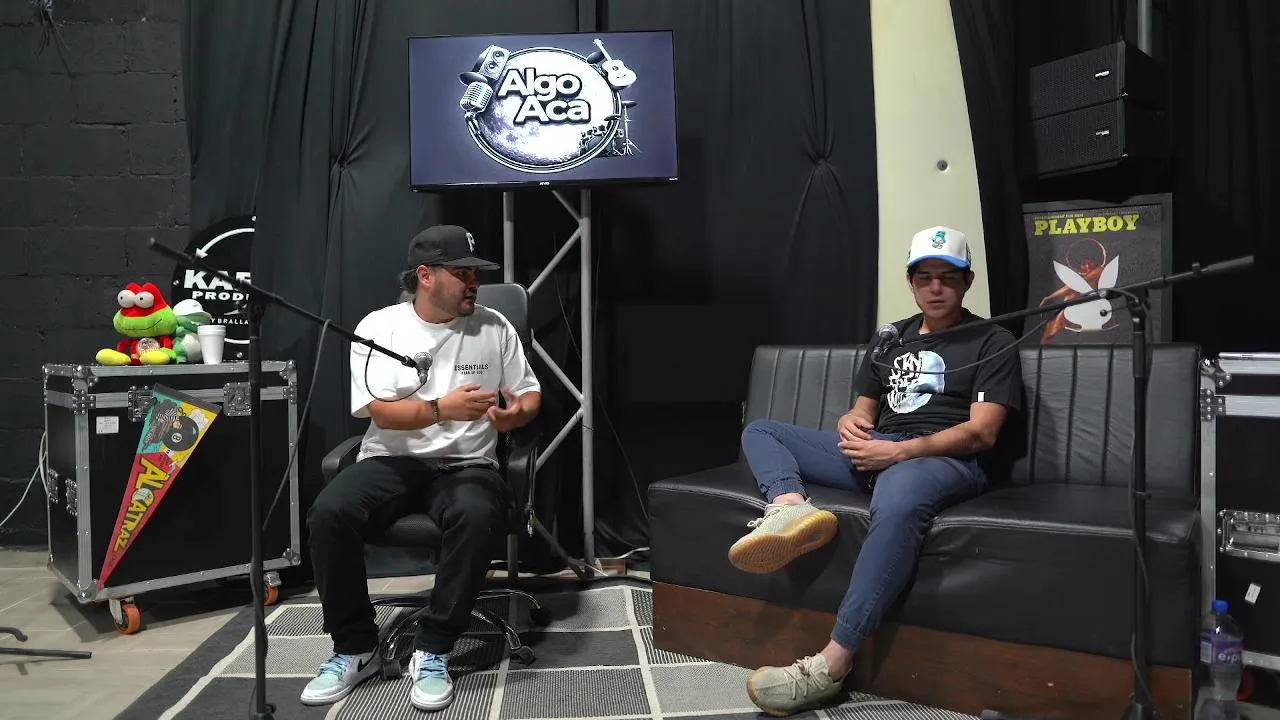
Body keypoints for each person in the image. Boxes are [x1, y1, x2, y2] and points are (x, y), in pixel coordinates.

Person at [729, 226, 1023, 717]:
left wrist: (901, 453)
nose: (935, 288)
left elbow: (983, 433)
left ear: (967, 282)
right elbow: (863, 410)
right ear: (911, 282)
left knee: (899, 502)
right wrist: (853, 423)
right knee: (763, 430)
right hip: (882, 450)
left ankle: (832, 664)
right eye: (924, 277)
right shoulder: (892, 338)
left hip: (943, 460)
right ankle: (790, 508)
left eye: (948, 277)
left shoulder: (992, 340)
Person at [301, 225, 542, 712]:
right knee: (329, 513)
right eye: (463, 272)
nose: (474, 282)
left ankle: (433, 649)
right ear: (426, 275)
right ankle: (355, 647)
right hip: (392, 460)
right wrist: (441, 409)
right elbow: (381, 412)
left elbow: (529, 393)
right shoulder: (379, 328)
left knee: (477, 513)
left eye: (476, 272)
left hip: (467, 464)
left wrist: (515, 414)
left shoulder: (494, 326)